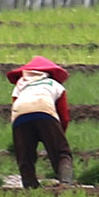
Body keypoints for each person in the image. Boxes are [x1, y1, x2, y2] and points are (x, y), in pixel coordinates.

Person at [6, 56, 73, 189]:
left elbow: (16, 107)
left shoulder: (20, 85)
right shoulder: (54, 85)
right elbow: (63, 115)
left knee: (25, 156)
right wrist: (59, 134)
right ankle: (65, 184)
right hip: (45, 111)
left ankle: (30, 186)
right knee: (62, 153)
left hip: (20, 115)